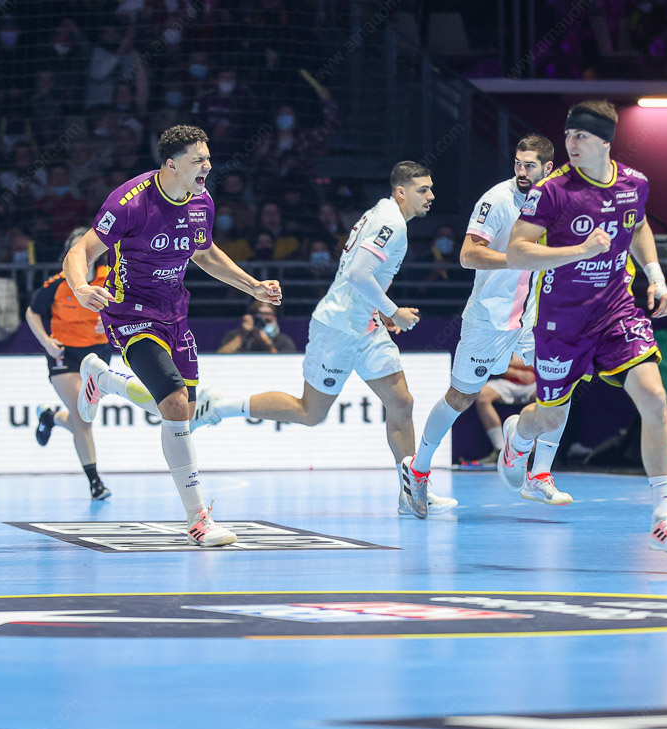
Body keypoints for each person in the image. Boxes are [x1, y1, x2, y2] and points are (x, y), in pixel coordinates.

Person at [192, 161, 454, 519]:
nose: (431, 195)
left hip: (365, 325)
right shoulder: (391, 222)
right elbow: (359, 274)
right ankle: (217, 407)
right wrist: (393, 311)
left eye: (431, 188)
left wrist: (380, 312)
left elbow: (361, 275)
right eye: (423, 190)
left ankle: (411, 492)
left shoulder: (384, 212)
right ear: (401, 191)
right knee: (310, 412)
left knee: (401, 402)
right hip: (338, 328)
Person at [62, 125, 282, 546]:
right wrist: (81, 286)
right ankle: (198, 520)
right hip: (130, 311)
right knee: (176, 403)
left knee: (183, 412)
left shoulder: (202, 202)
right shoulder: (130, 202)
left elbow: (205, 253)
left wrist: (252, 286)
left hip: (174, 312)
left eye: (208, 158)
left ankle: (104, 380)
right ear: (171, 165)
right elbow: (80, 251)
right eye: (199, 160)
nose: (208, 166)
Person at [503, 100, 667, 552]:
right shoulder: (552, 191)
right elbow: (516, 251)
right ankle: (518, 435)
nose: (571, 143)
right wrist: (578, 251)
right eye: (569, 135)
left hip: (615, 310)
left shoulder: (635, 184)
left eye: (581, 136)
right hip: (561, 321)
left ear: (605, 141)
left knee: (654, 397)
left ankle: (664, 516)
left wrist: (655, 276)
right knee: (549, 416)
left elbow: (638, 225)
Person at [408, 135, 573, 504]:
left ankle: (538, 473)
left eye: (529, 165)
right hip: (490, 318)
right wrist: (517, 259)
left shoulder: (557, 200)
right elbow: (468, 255)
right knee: (461, 397)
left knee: (561, 386)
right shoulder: (497, 200)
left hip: (534, 319)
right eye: (517, 163)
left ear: (548, 167)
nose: (521, 171)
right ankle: (417, 471)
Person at [27, 226, 114, 500]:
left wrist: (113, 322)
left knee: (83, 416)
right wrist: (46, 342)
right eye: (77, 247)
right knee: (83, 417)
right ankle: (95, 482)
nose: (84, 252)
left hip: (98, 355)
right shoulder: (57, 283)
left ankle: (50, 417)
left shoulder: (111, 278)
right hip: (64, 355)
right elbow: (32, 312)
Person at [474, 356, 537, 462]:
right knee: (482, 396)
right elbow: (494, 364)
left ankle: (534, 451)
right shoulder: (502, 343)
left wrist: (510, 363)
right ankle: (500, 449)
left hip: (534, 383)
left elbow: (541, 364)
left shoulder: (539, 344)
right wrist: (517, 373)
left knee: (547, 397)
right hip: (507, 382)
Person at [217, 301, 297, 353]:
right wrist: (242, 335)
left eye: (268, 314)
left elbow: (285, 364)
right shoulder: (235, 335)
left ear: (275, 318)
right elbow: (220, 357)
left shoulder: (283, 340)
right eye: (260, 315)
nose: (264, 318)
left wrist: (267, 343)